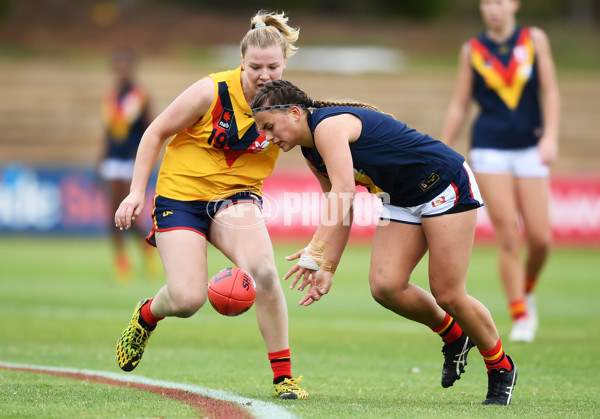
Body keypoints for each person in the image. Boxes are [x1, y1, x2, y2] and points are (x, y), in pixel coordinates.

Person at [250, 79, 518, 405]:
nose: (267, 136)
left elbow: (344, 190)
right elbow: (342, 207)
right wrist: (327, 267)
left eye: (269, 126)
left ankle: (501, 367)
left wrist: (315, 250)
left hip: (444, 183)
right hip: (402, 199)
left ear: (293, 113)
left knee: (448, 293)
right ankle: (455, 336)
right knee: (385, 286)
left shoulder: (328, 127)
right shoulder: (312, 152)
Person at [113, 11, 308, 399]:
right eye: (255, 67)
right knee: (186, 300)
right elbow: (155, 132)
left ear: (285, 64)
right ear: (242, 63)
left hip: (236, 197)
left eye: (273, 66)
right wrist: (136, 192)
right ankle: (148, 313)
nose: (265, 75)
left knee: (265, 272)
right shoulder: (211, 91)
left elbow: (321, 147)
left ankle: (284, 377)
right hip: (181, 195)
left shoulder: (292, 105)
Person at [441, 0, 560, 343]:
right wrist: (442, 149)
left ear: (514, 5)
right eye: (487, 2)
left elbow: (549, 91)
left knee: (541, 239)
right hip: (489, 150)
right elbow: (460, 105)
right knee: (508, 234)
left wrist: (550, 137)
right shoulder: (472, 50)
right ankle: (520, 313)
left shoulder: (534, 39)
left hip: (530, 149)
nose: (493, 8)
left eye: (500, 1)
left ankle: (527, 288)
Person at [99, 47, 157, 280]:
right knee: (111, 215)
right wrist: (100, 157)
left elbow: (150, 128)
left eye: (125, 67)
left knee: (127, 215)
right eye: (118, 67)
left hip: (131, 160)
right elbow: (108, 131)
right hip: (112, 158)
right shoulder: (111, 97)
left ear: (131, 69)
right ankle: (122, 261)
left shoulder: (140, 96)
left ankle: (145, 252)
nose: (121, 71)